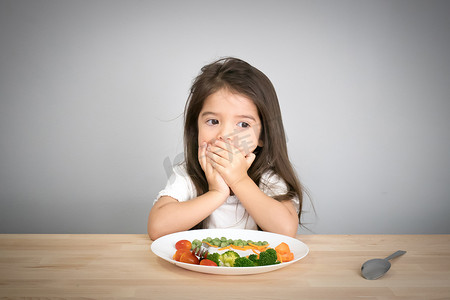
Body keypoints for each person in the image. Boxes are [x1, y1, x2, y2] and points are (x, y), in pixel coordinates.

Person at [148, 57, 303, 240]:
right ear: (195, 128)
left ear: (263, 137)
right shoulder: (187, 175)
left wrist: (239, 180)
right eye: (213, 121)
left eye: (243, 124)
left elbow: (286, 230)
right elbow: (157, 227)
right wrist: (216, 193)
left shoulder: (268, 178)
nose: (225, 135)